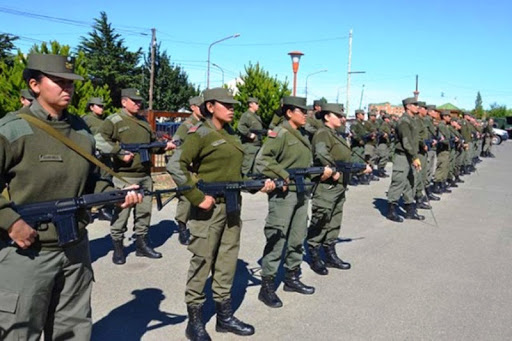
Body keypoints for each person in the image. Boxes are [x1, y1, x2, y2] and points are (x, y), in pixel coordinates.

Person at [0, 53, 141, 341]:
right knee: (18, 334)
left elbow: (94, 181)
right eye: (59, 81)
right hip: (27, 254)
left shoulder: (81, 132)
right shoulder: (13, 129)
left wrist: (115, 196)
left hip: (75, 250)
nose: (68, 88)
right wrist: (10, 221)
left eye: (71, 82)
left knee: (74, 331)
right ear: (34, 84)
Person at [167, 88, 275, 340]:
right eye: (225, 104)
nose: (232, 108)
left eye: (233, 104)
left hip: (232, 205)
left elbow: (236, 175)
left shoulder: (232, 135)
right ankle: (194, 321)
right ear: (210, 106)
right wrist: (195, 197)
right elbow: (175, 165)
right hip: (208, 208)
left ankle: (224, 317)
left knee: (227, 260)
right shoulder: (199, 133)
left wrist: (257, 185)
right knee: (202, 261)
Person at [255, 96, 332, 308]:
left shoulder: (302, 135)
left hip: (300, 192)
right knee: (277, 238)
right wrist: (283, 175)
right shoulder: (279, 133)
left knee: (297, 236)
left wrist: (319, 173)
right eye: (301, 110)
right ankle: (267, 286)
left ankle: (292, 277)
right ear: (289, 113)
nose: (306, 114)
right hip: (283, 195)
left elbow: (305, 164)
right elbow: (262, 160)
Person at [95, 88, 175, 264]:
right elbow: (98, 140)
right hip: (125, 176)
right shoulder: (114, 120)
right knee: (121, 212)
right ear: (124, 102)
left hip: (144, 175)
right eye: (134, 101)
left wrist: (163, 146)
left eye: (140, 101)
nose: (138, 104)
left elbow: (151, 145)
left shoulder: (144, 122)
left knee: (144, 212)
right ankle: (118, 247)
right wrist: (118, 152)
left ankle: (141, 244)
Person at [306, 103, 371, 275]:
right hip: (327, 184)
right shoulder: (323, 133)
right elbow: (320, 153)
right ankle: (313, 253)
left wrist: (360, 167)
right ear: (327, 116)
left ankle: (329, 252)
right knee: (322, 217)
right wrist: (332, 168)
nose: (342, 118)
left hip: (340, 185)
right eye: (338, 115)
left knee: (334, 219)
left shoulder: (336, 134)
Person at [170, 95, 204, 246]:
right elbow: (177, 142)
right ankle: (182, 226)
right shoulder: (187, 125)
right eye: (200, 106)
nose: (203, 108)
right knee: (186, 197)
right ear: (193, 107)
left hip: (201, 167)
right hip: (188, 168)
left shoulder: (204, 123)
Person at [386, 97, 425, 222]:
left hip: (411, 155)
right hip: (403, 156)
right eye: (414, 104)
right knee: (398, 182)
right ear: (408, 106)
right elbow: (406, 141)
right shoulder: (404, 121)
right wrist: (414, 157)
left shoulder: (412, 120)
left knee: (411, 182)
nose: (417, 107)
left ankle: (409, 210)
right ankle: (391, 210)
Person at [83, 97, 115, 221]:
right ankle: (86, 211)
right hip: (92, 156)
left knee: (106, 180)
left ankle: (104, 208)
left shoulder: (104, 120)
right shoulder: (87, 120)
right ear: (91, 107)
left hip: (104, 157)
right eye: (99, 106)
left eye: (102, 106)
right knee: (89, 182)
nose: (102, 108)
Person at [237, 97, 265, 175]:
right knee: (246, 167)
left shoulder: (256, 116)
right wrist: (249, 134)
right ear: (250, 104)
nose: (258, 105)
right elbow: (240, 126)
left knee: (255, 169)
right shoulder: (246, 115)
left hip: (257, 145)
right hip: (250, 145)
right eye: (256, 103)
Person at [350, 109, 368, 185]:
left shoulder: (361, 124)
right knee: (355, 161)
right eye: (362, 114)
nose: (364, 116)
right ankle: (351, 177)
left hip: (362, 145)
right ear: (358, 115)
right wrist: (359, 140)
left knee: (361, 161)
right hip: (356, 145)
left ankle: (360, 176)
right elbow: (353, 133)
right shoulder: (355, 123)